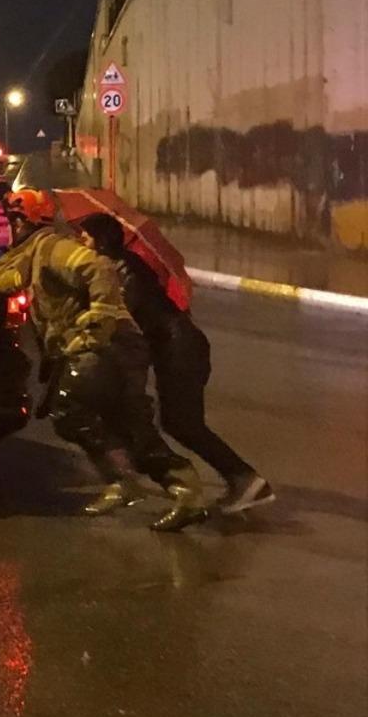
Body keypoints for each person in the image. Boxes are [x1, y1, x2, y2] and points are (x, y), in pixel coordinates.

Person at [0, 189, 207, 532]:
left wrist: (96, 326)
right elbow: (12, 279)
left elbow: (99, 269)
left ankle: (133, 483)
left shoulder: (53, 247)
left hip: (109, 346)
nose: (11, 226)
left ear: (28, 219)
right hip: (113, 347)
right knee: (123, 423)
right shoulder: (35, 251)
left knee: (73, 410)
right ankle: (169, 488)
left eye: (15, 219)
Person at [78, 213, 275, 514]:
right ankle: (243, 480)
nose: (81, 240)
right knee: (179, 423)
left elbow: (123, 316)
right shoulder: (117, 267)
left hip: (180, 349)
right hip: (175, 348)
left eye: (86, 235)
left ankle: (247, 481)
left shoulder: (127, 271)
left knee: (184, 423)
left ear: (101, 240)